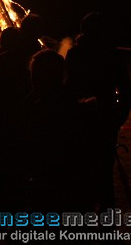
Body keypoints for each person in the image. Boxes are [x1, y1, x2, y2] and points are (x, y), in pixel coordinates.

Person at [64, 12, 131, 212]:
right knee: (102, 175)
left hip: (89, 121)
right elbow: (127, 92)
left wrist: (116, 118)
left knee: (88, 174)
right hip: (97, 120)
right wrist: (117, 117)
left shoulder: (78, 54)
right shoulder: (110, 54)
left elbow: (68, 89)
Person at [24, 49, 96, 215]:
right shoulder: (76, 107)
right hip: (73, 192)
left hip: (52, 190)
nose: (32, 80)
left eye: (34, 74)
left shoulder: (44, 110)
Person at [0, 26, 33, 211]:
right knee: (22, 166)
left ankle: (5, 208)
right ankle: (21, 206)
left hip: (3, 125)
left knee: (4, 168)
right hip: (21, 123)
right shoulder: (27, 64)